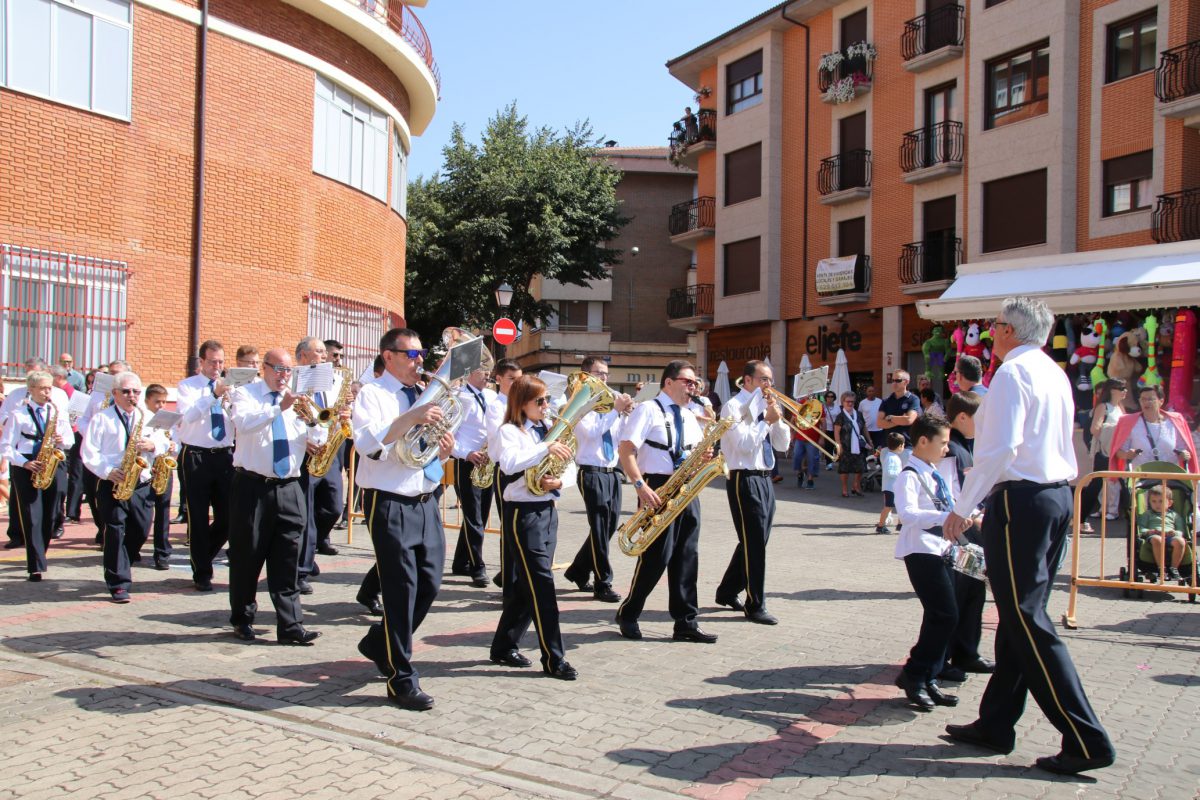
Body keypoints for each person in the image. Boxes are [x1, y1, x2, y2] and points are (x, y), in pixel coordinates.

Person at [942, 296, 1115, 775]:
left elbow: (998, 451)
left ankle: (1086, 738)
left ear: (1009, 332)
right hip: (1052, 496)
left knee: (1026, 617)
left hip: (1023, 499)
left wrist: (962, 506)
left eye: (995, 325)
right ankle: (996, 723)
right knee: (1019, 616)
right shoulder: (1052, 370)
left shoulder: (1014, 374)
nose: (991, 332)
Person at [353, 328, 454, 711]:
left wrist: (445, 451)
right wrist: (411, 417)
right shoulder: (374, 394)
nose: (419, 361)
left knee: (429, 583)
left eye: (421, 354)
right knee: (400, 591)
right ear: (388, 356)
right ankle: (401, 680)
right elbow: (368, 445)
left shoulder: (423, 395)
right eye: (411, 354)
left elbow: (424, 451)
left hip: (425, 497)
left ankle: (378, 644)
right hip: (389, 500)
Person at [615, 360, 717, 644]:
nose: (693, 387)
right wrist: (640, 486)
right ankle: (629, 613)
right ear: (668, 382)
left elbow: (691, 456)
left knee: (687, 556)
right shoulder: (648, 409)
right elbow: (626, 450)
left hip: (686, 487)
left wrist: (704, 460)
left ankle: (686, 622)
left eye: (695, 382)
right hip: (657, 486)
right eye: (687, 381)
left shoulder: (689, 414)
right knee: (656, 557)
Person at [227, 348, 323, 645]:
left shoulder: (297, 400)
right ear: (264, 369)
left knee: (287, 558)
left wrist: (313, 428)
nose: (284, 375)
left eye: (288, 371)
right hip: (252, 486)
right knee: (247, 556)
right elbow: (243, 424)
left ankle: (291, 625)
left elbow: (318, 436)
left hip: (289, 485)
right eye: (278, 369)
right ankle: (242, 618)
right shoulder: (245, 394)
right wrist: (278, 407)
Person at [490, 375, 577, 679]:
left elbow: (572, 467)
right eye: (539, 400)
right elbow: (511, 464)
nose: (546, 405)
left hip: (547, 511)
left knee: (527, 587)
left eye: (547, 399)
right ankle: (554, 658)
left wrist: (560, 481)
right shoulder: (508, 432)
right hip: (521, 514)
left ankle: (503, 646)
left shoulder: (547, 431)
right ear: (521, 403)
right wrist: (545, 448)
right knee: (542, 587)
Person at [892, 413, 962, 712]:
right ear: (923, 441)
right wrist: (946, 517)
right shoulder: (909, 474)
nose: (947, 449)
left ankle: (927, 677)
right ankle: (914, 673)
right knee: (945, 615)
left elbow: (948, 503)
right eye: (943, 443)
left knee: (939, 616)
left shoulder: (934, 471)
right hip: (920, 550)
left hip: (940, 548)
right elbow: (906, 514)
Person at [714, 360, 789, 625]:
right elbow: (744, 445)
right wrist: (764, 422)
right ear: (747, 380)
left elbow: (783, 445)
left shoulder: (767, 407)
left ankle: (726, 591)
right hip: (743, 478)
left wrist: (777, 422)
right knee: (754, 543)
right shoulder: (734, 407)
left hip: (765, 478)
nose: (769, 385)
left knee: (756, 540)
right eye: (764, 379)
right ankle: (755, 604)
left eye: (770, 380)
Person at [81, 372, 165, 602]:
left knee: (141, 529)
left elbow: (168, 441)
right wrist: (108, 471)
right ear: (115, 393)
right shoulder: (102, 418)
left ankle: (122, 564)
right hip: (113, 482)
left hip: (141, 482)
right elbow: (89, 453)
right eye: (126, 391)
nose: (132, 396)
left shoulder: (147, 415)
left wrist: (153, 445)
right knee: (115, 531)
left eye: (136, 392)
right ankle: (118, 583)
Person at [563, 355, 633, 602]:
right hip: (591, 471)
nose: (604, 378)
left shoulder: (609, 404)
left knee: (607, 526)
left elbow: (619, 438)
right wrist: (615, 410)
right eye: (599, 373)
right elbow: (592, 433)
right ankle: (602, 582)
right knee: (601, 526)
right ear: (587, 375)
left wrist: (625, 415)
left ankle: (578, 571)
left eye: (606, 373)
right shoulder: (580, 402)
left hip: (613, 472)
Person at [940, 390, 994, 681]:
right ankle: (945, 656)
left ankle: (967, 651)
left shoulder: (967, 445)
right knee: (958, 595)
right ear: (962, 417)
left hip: (973, 530)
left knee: (973, 593)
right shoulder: (950, 448)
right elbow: (951, 490)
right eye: (978, 418)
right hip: (960, 533)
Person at [1, 370, 74, 581]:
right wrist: (25, 463)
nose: (47, 392)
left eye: (49, 387)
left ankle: (41, 551)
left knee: (52, 512)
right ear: (31, 390)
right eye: (42, 388)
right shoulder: (19, 414)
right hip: (27, 464)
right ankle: (35, 565)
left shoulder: (56, 411)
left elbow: (69, 440)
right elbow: (6, 446)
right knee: (32, 515)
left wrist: (62, 439)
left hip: (52, 460)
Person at [176, 340, 235, 592]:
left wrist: (231, 402)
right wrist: (213, 395)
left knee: (229, 517)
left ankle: (203, 555)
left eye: (221, 362)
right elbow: (187, 417)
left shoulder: (230, 388)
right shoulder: (187, 387)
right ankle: (202, 571)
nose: (217, 367)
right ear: (201, 362)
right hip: (197, 455)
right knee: (198, 517)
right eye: (212, 362)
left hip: (224, 455)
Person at [294, 336, 343, 596]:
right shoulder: (295, 381)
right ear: (303, 356)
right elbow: (289, 416)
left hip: (329, 450)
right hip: (306, 453)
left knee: (333, 506)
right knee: (305, 513)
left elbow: (332, 410)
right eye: (319, 352)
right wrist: (303, 441)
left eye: (325, 352)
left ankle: (308, 549)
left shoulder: (332, 380)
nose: (325, 356)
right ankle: (300, 569)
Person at [450, 363, 496, 588]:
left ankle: (460, 561)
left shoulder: (492, 395)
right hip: (467, 462)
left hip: (488, 462)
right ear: (468, 373)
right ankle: (478, 566)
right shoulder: (458, 396)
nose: (488, 374)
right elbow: (447, 434)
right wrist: (465, 453)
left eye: (489, 369)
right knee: (473, 517)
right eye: (482, 369)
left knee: (480, 514)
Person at [485, 359, 523, 588]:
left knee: (521, 529)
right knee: (509, 528)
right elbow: (498, 436)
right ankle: (509, 583)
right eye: (512, 379)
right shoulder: (496, 407)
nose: (518, 383)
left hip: (526, 468)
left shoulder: (524, 403)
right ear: (498, 380)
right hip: (507, 470)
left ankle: (514, 577)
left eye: (520, 379)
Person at [1109, 384, 1197, 473]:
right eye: (1143, 399)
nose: (1146, 402)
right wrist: (1127, 454)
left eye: (1150, 399)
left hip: (1170, 479)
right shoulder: (1129, 422)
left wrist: (1184, 454)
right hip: (1141, 480)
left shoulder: (1174, 421)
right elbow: (1119, 452)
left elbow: (1184, 449)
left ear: (1161, 401)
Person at [1078, 379, 1126, 530]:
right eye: (1121, 388)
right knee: (1096, 484)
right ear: (1112, 390)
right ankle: (1079, 518)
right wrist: (1112, 432)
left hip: (1118, 451)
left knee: (1124, 483)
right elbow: (1095, 428)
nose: (1125, 391)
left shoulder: (1119, 407)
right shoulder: (1103, 406)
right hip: (1104, 451)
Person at [143, 384, 178, 570]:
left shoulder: (168, 420)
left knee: (163, 511)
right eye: (157, 402)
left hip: (164, 468)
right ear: (147, 401)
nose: (161, 405)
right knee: (144, 512)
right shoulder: (142, 418)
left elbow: (177, 441)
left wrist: (173, 446)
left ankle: (162, 552)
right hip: (146, 470)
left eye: (164, 401)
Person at [1136, 485, 1188, 581]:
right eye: (1153, 501)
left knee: (1180, 541)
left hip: (1170, 536)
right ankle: (1161, 568)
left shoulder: (1174, 515)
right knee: (1157, 539)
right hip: (1154, 535)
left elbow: (1181, 531)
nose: (1157, 505)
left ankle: (1174, 568)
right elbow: (1141, 529)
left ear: (1170, 503)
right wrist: (1149, 531)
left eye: (1161, 501)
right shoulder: (1147, 514)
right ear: (1149, 502)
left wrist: (1174, 533)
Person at [833, 391, 869, 497]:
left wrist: (869, 440)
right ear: (843, 402)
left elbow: (864, 428)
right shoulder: (840, 416)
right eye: (848, 401)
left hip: (859, 445)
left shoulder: (859, 414)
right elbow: (836, 431)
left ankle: (855, 485)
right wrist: (838, 445)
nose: (850, 404)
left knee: (861, 467)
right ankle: (844, 488)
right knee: (845, 468)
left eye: (852, 402)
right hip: (845, 445)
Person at [877, 370, 920, 447]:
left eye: (898, 380)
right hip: (888, 446)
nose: (894, 383)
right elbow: (879, 423)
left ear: (906, 382)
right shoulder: (886, 401)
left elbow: (909, 420)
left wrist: (890, 417)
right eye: (892, 380)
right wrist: (901, 419)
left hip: (906, 446)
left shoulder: (913, 399)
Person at [876, 433, 906, 534]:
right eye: (903, 445)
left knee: (900, 505)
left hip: (894, 487)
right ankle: (881, 525)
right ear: (900, 446)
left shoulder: (893, 456)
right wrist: (901, 474)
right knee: (888, 507)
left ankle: (901, 524)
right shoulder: (891, 457)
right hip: (890, 487)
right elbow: (889, 471)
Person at [791, 397, 823, 490]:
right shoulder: (800, 404)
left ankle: (810, 480)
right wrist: (791, 433)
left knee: (812, 459)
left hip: (813, 438)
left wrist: (822, 438)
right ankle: (800, 473)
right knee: (797, 456)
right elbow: (793, 419)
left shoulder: (818, 405)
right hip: (799, 437)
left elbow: (823, 422)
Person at [859, 384, 884, 449]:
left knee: (878, 449)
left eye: (872, 391)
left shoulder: (880, 401)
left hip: (878, 430)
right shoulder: (862, 403)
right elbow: (860, 415)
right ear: (866, 392)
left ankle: (877, 459)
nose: (871, 392)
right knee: (868, 448)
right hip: (867, 430)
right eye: (869, 391)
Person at [821, 391, 837, 470]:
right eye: (828, 396)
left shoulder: (837, 407)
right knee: (828, 446)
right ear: (826, 398)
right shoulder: (822, 407)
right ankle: (829, 463)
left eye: (832, 397)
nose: (830, 398)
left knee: (834, 445)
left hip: (835, 429)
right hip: (826, 429)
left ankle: (833, 459)